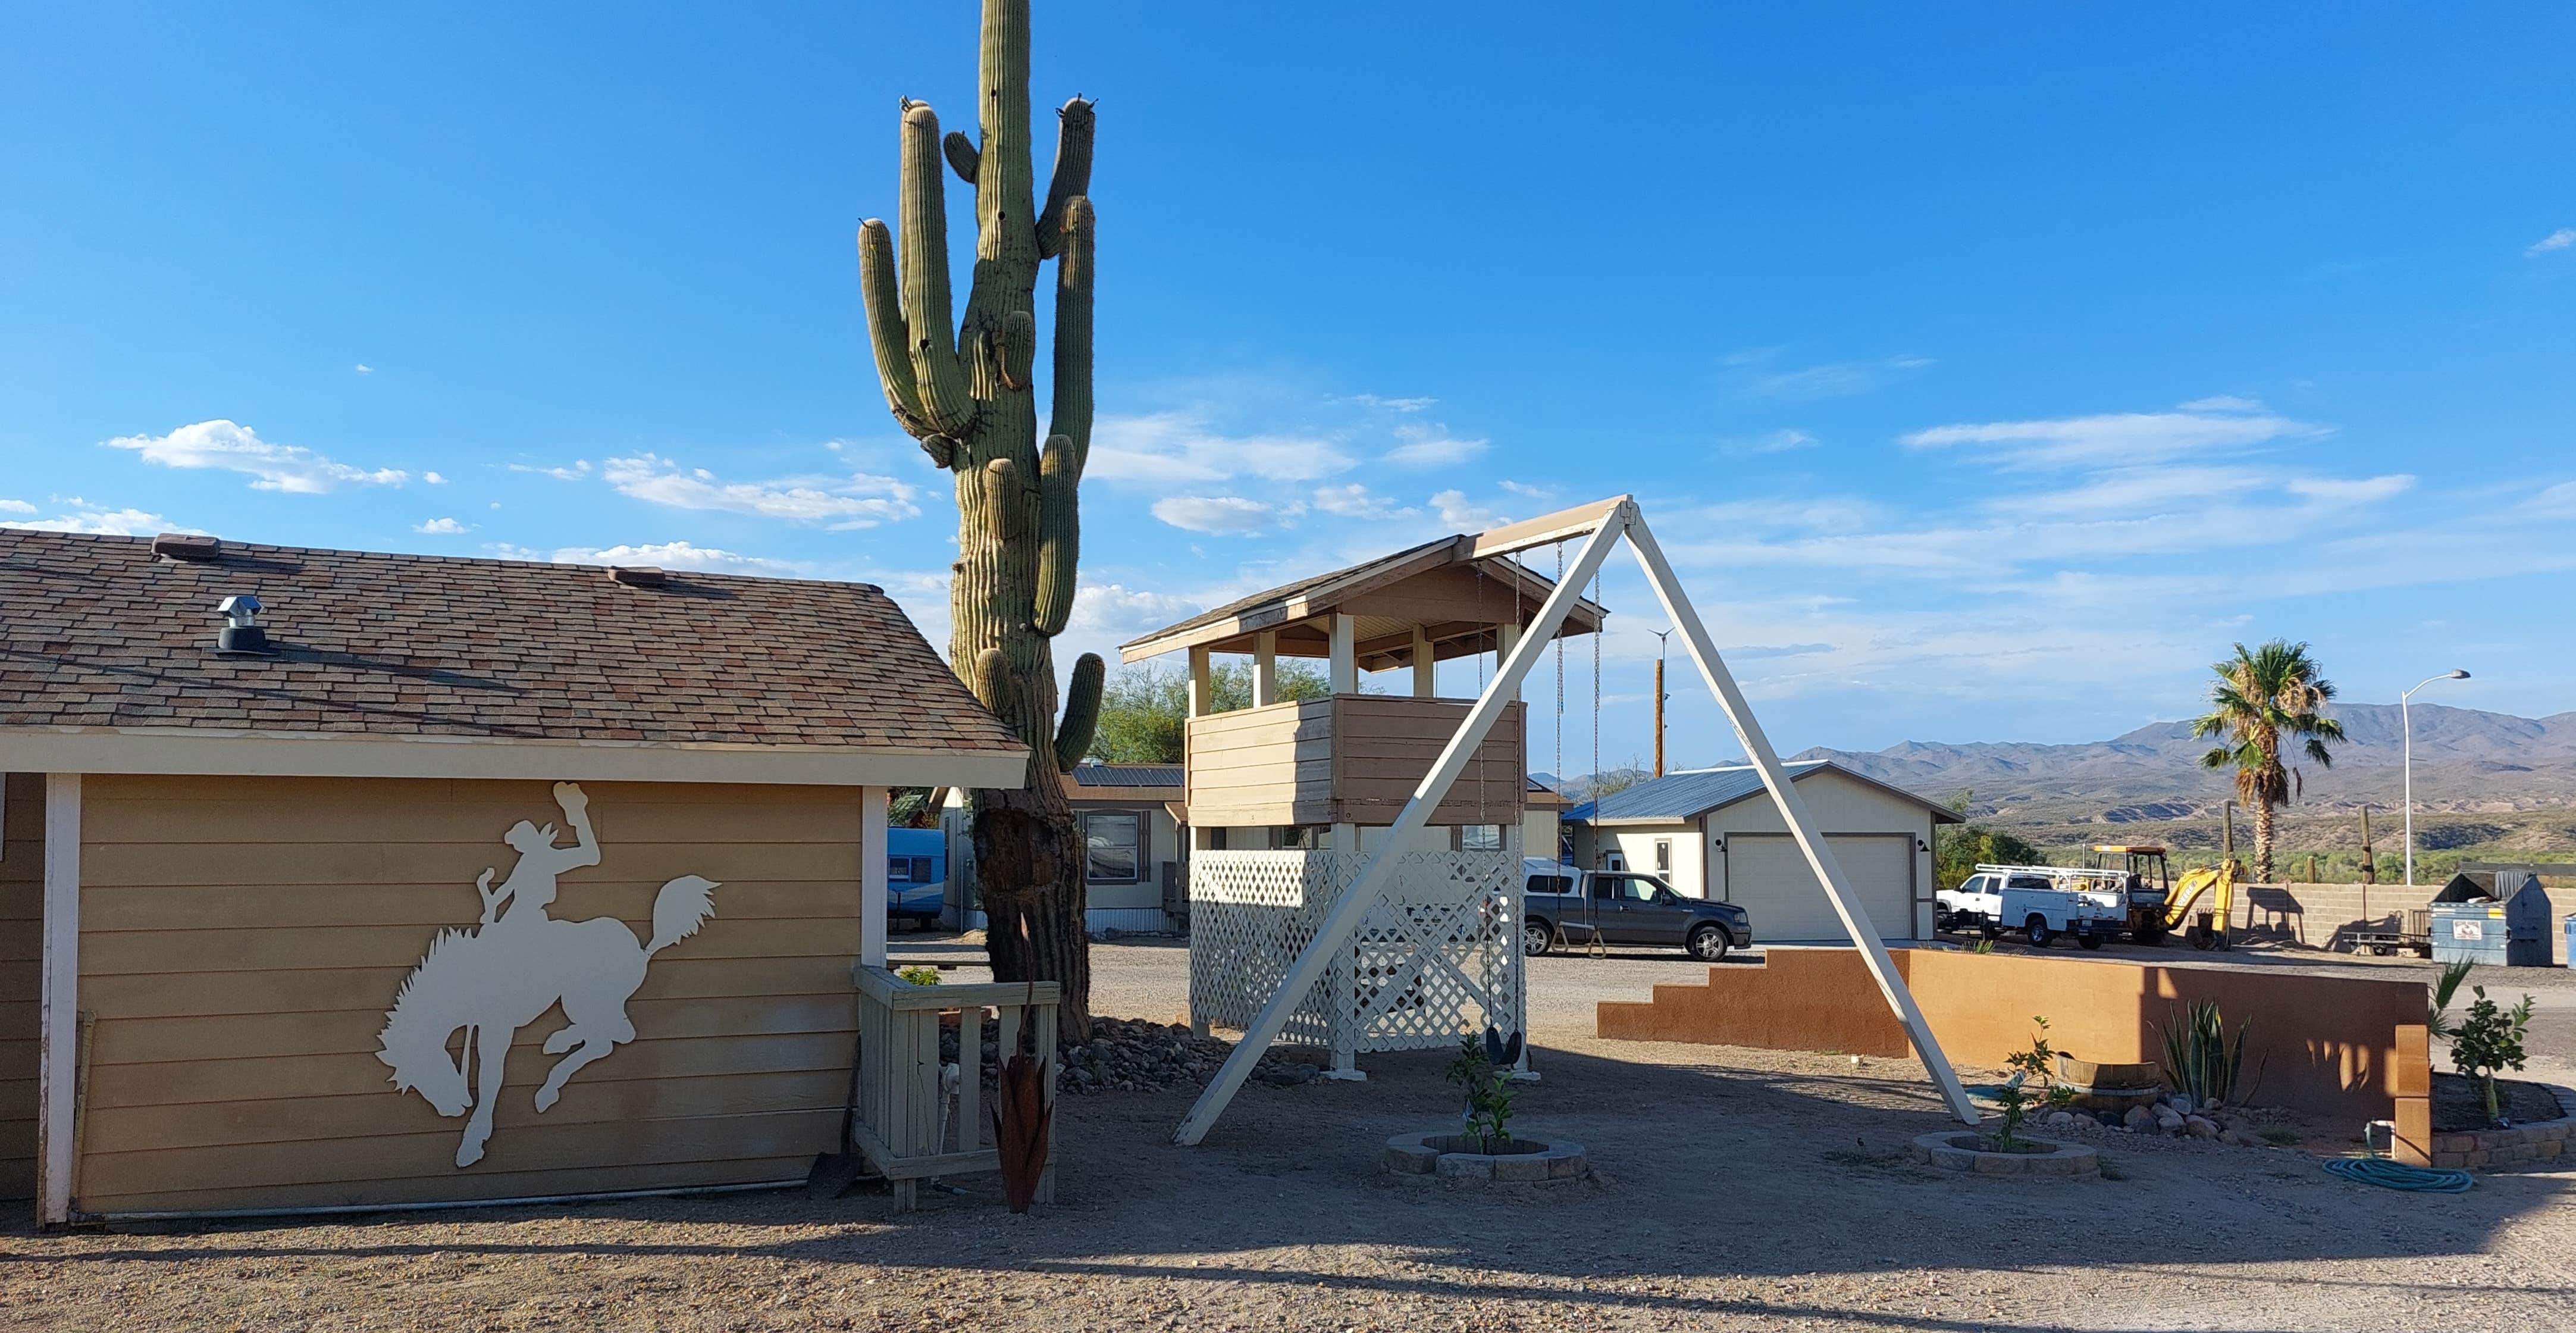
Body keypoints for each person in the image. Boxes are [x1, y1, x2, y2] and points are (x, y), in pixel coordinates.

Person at [475, 782, 602, 927]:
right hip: (520, 912)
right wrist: (491, 906)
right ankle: (578, 813)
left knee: (590, 855)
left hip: (527, 914)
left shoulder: (542, 858)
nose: (516, 848)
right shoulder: (528, 860)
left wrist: (492, 904)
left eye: (517, 844)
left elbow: (590, 856)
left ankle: (578, 812)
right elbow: (508, 887)